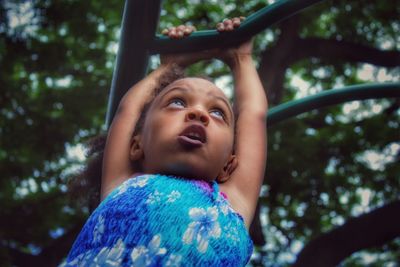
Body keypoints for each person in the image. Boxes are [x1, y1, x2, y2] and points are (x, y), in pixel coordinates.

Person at [64, 17, 267, 266]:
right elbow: (128, 111)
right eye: (177, 102)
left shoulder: (235, 201)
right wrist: (168, 67)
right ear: (136, 145)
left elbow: (253, 115)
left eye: (217, 113)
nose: (199, 113)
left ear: (228, 164)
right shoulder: (122, 183)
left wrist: (241, 59)